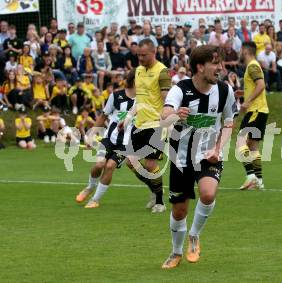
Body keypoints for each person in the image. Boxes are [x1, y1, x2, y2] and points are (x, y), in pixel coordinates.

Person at [160, 45, 236, 269]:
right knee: (179, 210)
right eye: (215, 63)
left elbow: (229, 123)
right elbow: (164, 116)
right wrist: (174, 114)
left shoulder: (224, 91)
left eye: (221, 63)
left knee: (208, 193)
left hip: (208, 154)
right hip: (180, 157)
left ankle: (194, 235)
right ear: (200, 67)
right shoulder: (180, 90)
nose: (220, 68)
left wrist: (217, 148)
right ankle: (175, 252)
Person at [76, 69, 136, 208]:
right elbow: (103, 117)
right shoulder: (115, 96)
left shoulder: (142, 101)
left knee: (110, 166)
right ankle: (90, 187)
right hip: (109, 138)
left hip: (125, 144)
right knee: (99, 164)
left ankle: (95, 200)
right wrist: (90, 135)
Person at [125, 38, 171, 213]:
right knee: (131, 161)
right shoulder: (138, 71)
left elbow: (168, 99)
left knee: (150, 164)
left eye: (144, 55)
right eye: (138, 55)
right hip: (140, 123)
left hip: (156, 124)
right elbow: (140, 97)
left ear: (154, 52)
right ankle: (154, 188)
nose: (140, 58)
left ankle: (160, 202)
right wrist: (129, 115)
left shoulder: (162, 71)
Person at [235, 41, 269, 190]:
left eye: (241, 50)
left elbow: (261, 85)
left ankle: (250, 176)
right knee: (253, 146)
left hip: (255, 110)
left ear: (245, 51)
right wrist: (243, 94)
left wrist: (247, 101)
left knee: (240, 142)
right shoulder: (253, 65)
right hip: (260, 110)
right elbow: (257, 86)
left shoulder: (252, 66)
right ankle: (259, 181)